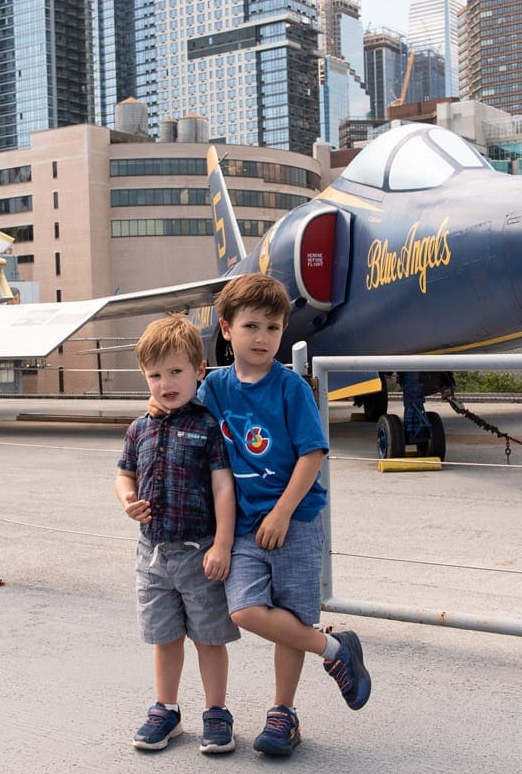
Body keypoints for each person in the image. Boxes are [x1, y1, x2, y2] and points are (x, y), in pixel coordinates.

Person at [149, 274, 371, 758]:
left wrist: (283, 513)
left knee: (290, 616)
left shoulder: (290, 388)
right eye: (251, 326)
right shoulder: (217, 388)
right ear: (226, 329)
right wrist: (155, 402)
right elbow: (181, 407)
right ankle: (334, 650)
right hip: (245, 526)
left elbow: (313, 454)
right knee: (246, 610)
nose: (263, 337)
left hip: (296, 521)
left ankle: (283, 714)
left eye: (273, 327)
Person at [115, 315, 240, 754]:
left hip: (199, 551)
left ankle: (216, 711)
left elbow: (224, 487)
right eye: (155, 375)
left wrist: (222, 543)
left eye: (175, 372)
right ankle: (165, 708)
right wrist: (127, 499)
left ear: (198, 371)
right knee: (164, 637)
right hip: (152, 554)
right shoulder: (140, 427)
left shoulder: (208, 426)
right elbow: (123, 474)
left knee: (209, 636)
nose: (165, 383)